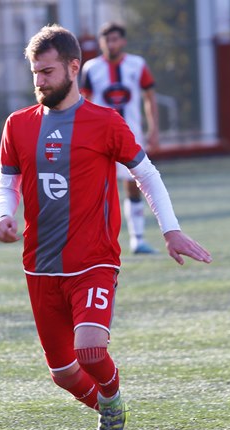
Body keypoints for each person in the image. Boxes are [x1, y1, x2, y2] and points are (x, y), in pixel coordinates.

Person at [0, 25, 212, 430]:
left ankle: (110, 399)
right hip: (40, 264)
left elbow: (146, 174)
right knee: (62, 372)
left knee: (91, 350)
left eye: (48, 72)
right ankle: (110, 408)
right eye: (35, 72)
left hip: (94, 259)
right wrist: (4, 215)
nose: (40, 81)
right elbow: (7, 182)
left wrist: (170, 229)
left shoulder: (105, 122)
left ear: (74, 67)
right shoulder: (17, 125)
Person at [81, 21, 160, 255]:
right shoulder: (91, 68)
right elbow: (84, 103)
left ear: (123, 41)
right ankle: (95, 243)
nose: (111, 44)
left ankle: (137, 240)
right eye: (107, 40)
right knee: (97, 189)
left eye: (115, 39)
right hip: (99, 138)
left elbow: (149, 97)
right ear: (101, 42)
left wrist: (154, 129)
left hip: (131, 135)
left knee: (134, 185)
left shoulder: (137, 64)